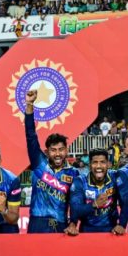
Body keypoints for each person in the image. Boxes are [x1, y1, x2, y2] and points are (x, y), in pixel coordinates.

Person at [24, 90, 80, 234]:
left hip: (61, 225)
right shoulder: (38, 162)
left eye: (61, 149)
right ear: (47, 152)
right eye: (53, 150)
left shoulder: (74, 173)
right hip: (37, 222)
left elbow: (75, 202)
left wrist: (73, 223)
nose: (57, 154)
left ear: (66, 151)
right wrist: (30, 104)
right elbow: (30, 135)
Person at [70, 149, 125, 234]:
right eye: (95, 162)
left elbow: (126, 202)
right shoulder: (80, 181)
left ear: (108, 164)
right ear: (89, 165)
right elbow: (75, 210)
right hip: (87, 230)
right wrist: (94, 204)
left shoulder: (116, 176)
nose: (99, 166)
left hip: (112, 230)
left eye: (102, 162)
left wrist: (122, 224)